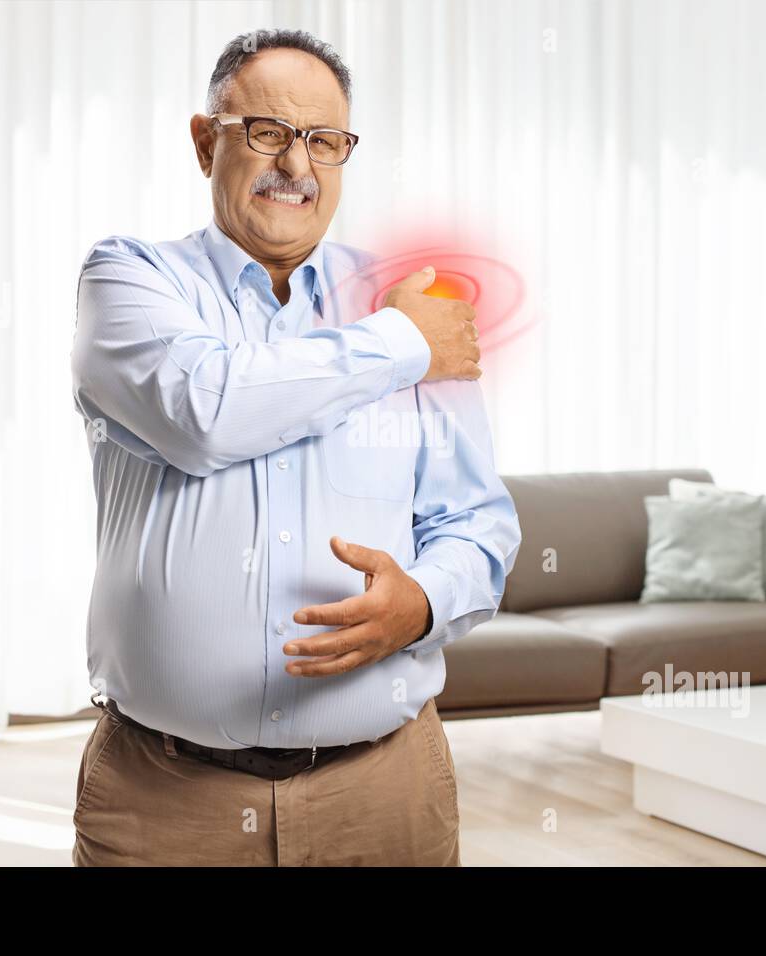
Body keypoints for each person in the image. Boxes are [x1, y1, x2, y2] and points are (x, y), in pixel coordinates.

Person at [68, 28, 520, 866]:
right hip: (163, 806)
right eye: (267, 133)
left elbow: (479, 525)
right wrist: (402, 344)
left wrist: (421, 602)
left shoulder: (407, 302)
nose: (297, 166)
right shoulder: (130, 280)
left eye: (325, 141)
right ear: (207, 142)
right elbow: (207, 409)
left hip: (383, 795)